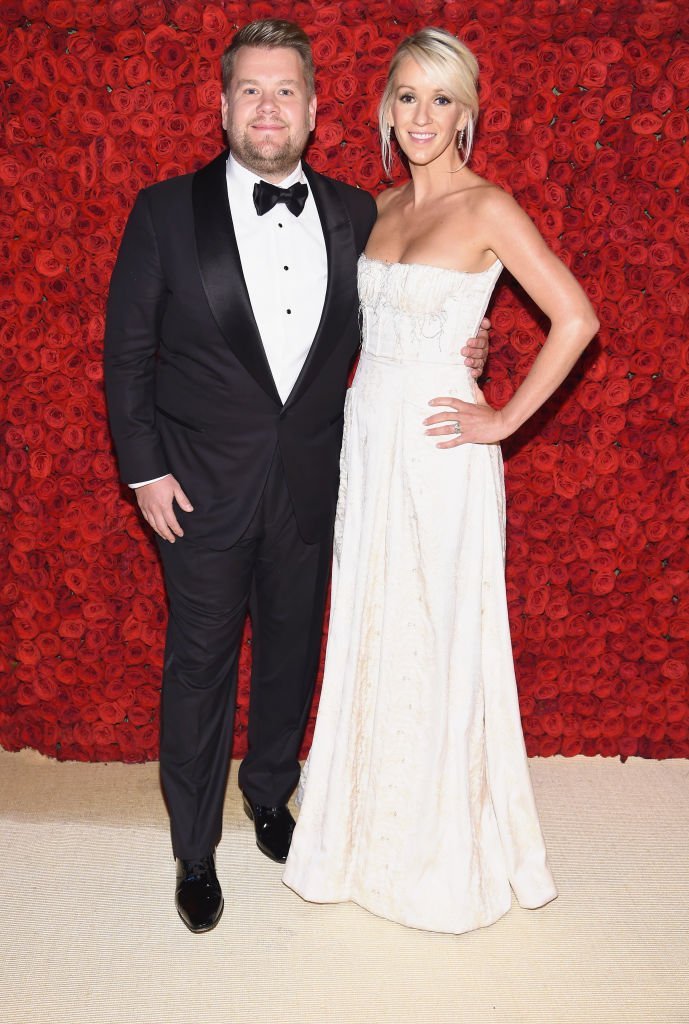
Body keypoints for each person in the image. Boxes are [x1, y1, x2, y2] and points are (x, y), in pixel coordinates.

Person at [103, 19, 489, 934]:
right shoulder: (163, 211)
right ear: (222, 103)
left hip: (317, 482)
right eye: (251, 90)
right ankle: (193, 851)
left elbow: (412, 306)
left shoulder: (361, 212)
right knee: (199, 667)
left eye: (286, 91)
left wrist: (463, 345)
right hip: (195, 488)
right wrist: (144, 471)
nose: (268, 107)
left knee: (289, 655)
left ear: (315, 110)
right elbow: (127, 355)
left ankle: (270, 795)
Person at [283, 27, 599, 934]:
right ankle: (362, 839)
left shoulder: (488, 207)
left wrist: (499, 417)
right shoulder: (376, 208)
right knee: (376, 623)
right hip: (368, 443)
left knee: (440, 629)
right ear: (385, 107)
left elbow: (575, 317)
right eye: (408, 97)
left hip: (440, 448)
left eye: (441, 99)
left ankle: (440, 851)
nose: (422, 116)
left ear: (467, 113)